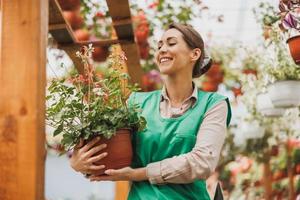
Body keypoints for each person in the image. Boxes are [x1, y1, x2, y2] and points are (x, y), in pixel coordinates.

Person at [69, 22, 231, 200]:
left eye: (171, 43)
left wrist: (139, 174)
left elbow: (202, 163)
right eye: (159, 45)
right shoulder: (136, 102)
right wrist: (79, 163)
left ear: (195, 53)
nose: (161, 50)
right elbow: (111, 154)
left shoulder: (213, 105)